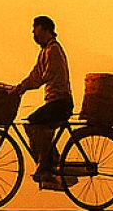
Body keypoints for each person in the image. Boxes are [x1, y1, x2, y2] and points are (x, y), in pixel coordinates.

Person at [9, 15, 72, 189]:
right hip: (55, 102)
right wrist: (20, 87)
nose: (33, 33)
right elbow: (36, 73)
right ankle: (49, 161)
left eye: (35, 29)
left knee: (34, 123)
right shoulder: (45, 51)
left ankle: (46, 165)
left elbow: (42, 77)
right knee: (34, 124)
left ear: (45, 30)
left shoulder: (53, 51)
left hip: (60, 103)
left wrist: (25, 87)